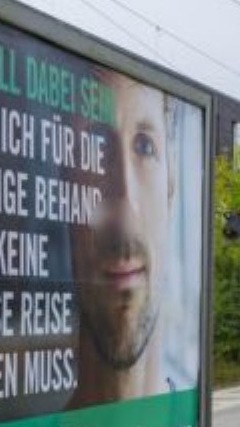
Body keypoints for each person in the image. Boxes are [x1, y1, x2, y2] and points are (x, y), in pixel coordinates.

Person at [68, 68, 192, 408]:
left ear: (170, 188)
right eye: (96, 146)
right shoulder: (187, 426)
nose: (126, 203)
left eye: (144, 146)